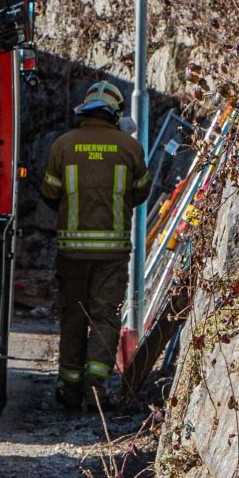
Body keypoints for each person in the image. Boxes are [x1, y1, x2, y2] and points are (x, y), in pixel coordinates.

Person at [37, 79, 148, 408]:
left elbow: (48, 194)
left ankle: (69, 389)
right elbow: (141, 192)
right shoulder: (129, 148)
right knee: (105, 316)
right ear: (115, 113)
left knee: (73, 315)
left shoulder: (63, 146)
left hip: (71, 252)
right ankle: (96, 387)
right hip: (112, 253)